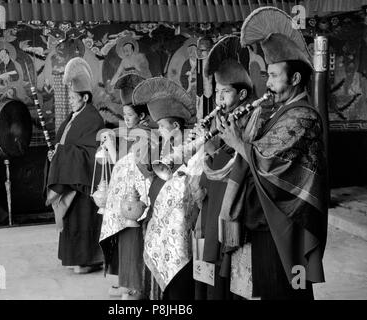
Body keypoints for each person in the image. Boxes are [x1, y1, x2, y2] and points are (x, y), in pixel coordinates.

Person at [216, 32, 328, 300]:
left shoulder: (304, 116)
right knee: (267, 287)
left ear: (296, 79)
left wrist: (239, 142)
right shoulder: (279, 113)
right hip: (265, 217)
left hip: (285, 219)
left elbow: (269, 160)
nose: (268, 84)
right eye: (268, 75)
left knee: (284, 288)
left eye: (275, 75)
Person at [192, 35, 257, 300]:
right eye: (217, 92)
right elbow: (216, 159)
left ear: (242, 93)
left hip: (234, 202)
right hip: (214, 200)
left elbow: (240, 163)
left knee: (231, 267)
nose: (219, 98)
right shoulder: (223, 118)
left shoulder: (252, 119)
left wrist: (214, 149)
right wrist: (207, 146)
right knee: (210, 254)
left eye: (225, 92)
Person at [133, 77, 203, 300]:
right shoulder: (164, 143)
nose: (160, 130)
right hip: (158, 209)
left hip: (176, 214)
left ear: (175, 126)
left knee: (177, 257)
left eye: (162, 126)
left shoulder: (187, 143)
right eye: (158, 126)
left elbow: (184, 180)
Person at [45, 57, 105, 274]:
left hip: (83, 179)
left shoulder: (92, 118)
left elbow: (89, 151)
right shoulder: (74, 116)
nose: (70, 101)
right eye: (69, 97)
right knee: (72, 222)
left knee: (83, 219)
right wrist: (56, 153)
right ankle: (74, 258)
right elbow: (65, 143)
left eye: (73, 97)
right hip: (70, 175)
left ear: (85, 97)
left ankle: (88, 260)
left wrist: (62, 154)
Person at [99, 73, 154, 300]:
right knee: (124, 237)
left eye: (130, 115)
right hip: (125, 197)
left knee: (134, 238)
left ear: (142, 115)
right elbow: (122, 166)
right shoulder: (131, 133)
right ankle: (125, 282)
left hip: (138, 199)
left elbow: (133, 167)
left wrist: (113, 150)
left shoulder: (148, 134)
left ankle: (136, 287)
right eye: (124, 115)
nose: (126, 119)